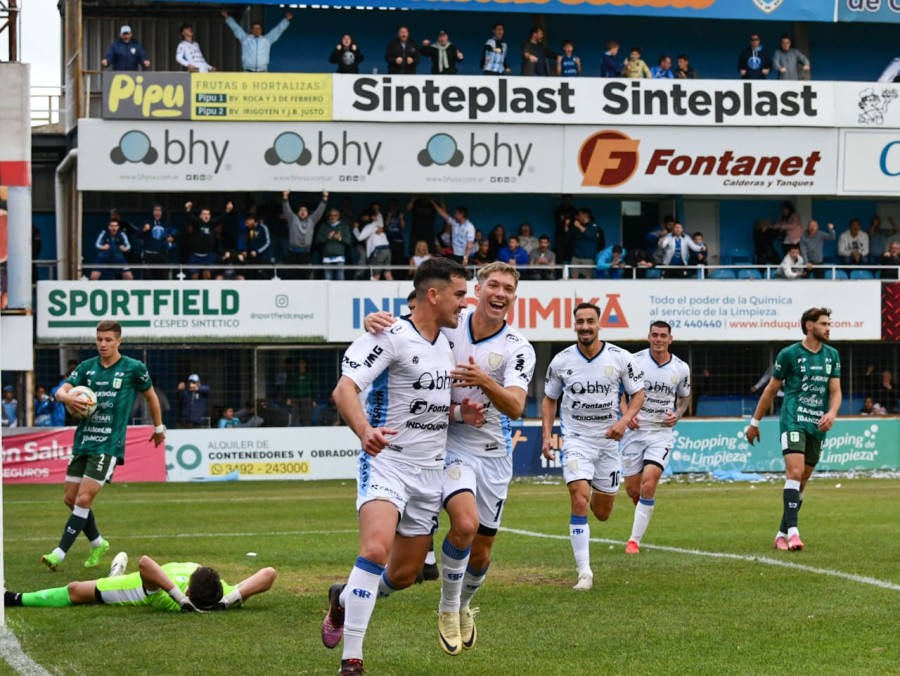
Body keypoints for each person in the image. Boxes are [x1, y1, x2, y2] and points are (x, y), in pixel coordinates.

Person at [363, 262, 536, 656]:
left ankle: (463, 604)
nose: (500, 292)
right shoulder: (449, 326)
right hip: (449, 446)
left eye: (508, 288)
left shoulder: (517, 348)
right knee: (464, 523)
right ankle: (446, 608)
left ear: (514, 297)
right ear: (477, 289)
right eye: (493, 284)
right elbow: (406, 327)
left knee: (482, 551)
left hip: (492, 453)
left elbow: (514, 406)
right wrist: (371, 320)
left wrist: (485, 381)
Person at [320, 258, 480, 676]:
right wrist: (364, 430)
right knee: (374, 549)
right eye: (460, 294)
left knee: (405, 575)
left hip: (430, 472)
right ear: (434, 294)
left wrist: (462, 415)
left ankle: (342, 598)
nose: (465, 303)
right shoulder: (387, 335)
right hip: (387, 462)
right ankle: (352, 661)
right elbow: (344, 390)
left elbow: (433, 409)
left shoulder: (447, 344)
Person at [43, 321, 165, 571]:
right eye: (99, 339)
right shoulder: (87, 368)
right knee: (70, 498)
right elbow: (61, 390)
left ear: (119, 341)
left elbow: (150, 396)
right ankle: (98, 542)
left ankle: (59, 552)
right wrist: (66, 396)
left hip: (109, 444)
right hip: (84, 440)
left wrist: (158, 427)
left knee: (84, 498)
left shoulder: (133, 368)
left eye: (108, 339)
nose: (102, 344)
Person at [541, 303, 644, 589]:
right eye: (580, 322)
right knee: (578, 496)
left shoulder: (620, 358)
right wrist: (546, 435)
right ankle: (584, 572)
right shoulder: (561, 361)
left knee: (603, 513)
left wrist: (624, 422)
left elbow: (638, 395)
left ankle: (596, 492)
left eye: (590, 321)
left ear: (599, 324)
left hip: (609, 444)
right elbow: (550, 399)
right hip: (576, 440)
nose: (585, 326)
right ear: (574, 325)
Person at [746, 307, 842, 552]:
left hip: (817, 425)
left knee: (802, 481)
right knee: (795, 472)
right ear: (809, 326)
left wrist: (831, 413)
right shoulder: (789, 354)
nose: (828, 327)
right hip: (793, 420)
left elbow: (835, 391)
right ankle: (795, 533)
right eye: (824, 323)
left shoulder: (832, 355)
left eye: (829, 323)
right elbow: (769, 390)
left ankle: (781, 534)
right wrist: (754, 423)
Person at [621, 321, 691, 554]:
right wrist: (626, 416)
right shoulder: (635, 361)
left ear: (670, 339)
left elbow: (684, 398)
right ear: (648, 337)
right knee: (633, 490)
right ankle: (643, 508)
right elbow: (620, 394)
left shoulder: (681, 368)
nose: (659, 339)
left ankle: (634, 541)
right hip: (635, 432)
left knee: (648, 483)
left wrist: (678, 414)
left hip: (661, 433)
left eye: (663, 335)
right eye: (655, 335)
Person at [5, 553, 275, 612]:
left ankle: (13, 598)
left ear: (190, 588)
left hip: (142, 585)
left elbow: (145, 564)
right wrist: (229, 601)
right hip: (160, 578)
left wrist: (177, 598)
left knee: (75, 590)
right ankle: (113, 574)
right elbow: (269, 573)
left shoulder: (165, 601)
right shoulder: (221, 594)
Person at [222, 9, 292, 72]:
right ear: (251, 30)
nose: (256, 30)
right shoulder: (245, 39)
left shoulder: (267, 40)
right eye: (254, 28)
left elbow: (278, 30)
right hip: (247, 72)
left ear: (261, 30)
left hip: (263, 72)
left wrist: (286, 20)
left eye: (258, 28)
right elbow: (236, 28)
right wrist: (227, 17)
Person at [282, 190, 328, 280]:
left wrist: (325, 198)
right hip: (293, 253)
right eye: (301, 210)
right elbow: (286, 209)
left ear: (308, 213)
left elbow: (319, 211)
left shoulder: (312, 220)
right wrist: (285, 198)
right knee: (290, 275)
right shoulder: (293, 219)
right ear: (297, 212)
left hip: (305, 253)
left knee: (305, 275)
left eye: (305, 210)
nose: (303, 212)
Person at [184, 201, 234, 280]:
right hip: (195, 256)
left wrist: (228, 210)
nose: (206, 216)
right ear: (200, 216)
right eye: (204, 214)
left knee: (207, 275)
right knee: (194, 276)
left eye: (208, 214)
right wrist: (188, 209)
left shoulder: (212, 223)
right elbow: (189, 216)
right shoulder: (197, 223)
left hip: (208, 256)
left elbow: (222, 218)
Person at [432, 200, 475, 267]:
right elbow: (443, 215)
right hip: (456, 255)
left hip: (466, 256)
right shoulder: (454, 223)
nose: (454, 215)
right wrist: (433, 202)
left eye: (456, 213)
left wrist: (466, 258)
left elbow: (469, 245)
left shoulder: (469, 227)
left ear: (461, 214)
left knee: (466, 275)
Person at [140, 205, 177, 281]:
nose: (157, 212)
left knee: (162, 279)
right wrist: (143, 230)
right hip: (149, 256)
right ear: (153, 212)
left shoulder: (165, 224)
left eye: (159, 210)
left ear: (161, 212)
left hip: (161, 256)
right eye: (155, 210)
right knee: (148, 278)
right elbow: (137, 235)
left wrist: (171, 238)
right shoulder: (147, 223)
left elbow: (172, 236)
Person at [315, 208, 353, 281]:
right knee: (327, 278)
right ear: (328, 216)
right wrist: (327, 238)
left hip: (339, 256)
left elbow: (348, 241)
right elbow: (317, 240)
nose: (333, 217)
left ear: (338, 216)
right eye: (331, 215)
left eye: (335, 215)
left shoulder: (343, 226)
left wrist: (340, 238)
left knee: (340, 277)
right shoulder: (323, 226)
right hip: (327, 256)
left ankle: (340, 292)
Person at [569, 209, 604, 279]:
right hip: (576, 256)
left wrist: (579, 226)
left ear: (586, 215)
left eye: (580, 215)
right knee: (574, 276)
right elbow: (569, 236)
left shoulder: (593, 225)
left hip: (588, 257)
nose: (578, 217)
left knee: (587, 277)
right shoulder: (577, 226)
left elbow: (589, 234)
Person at [286, 357, 316, 426]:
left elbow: (313, 387)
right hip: (295, 399)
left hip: (307, 399)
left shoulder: (310, 375)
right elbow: (288, 387)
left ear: (306, 364)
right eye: (300, 363)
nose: (301, 365)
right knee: (295, 419)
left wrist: (314, 399)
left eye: (303, 363)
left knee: (307, 418)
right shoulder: (293, 375)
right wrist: (288, 397)